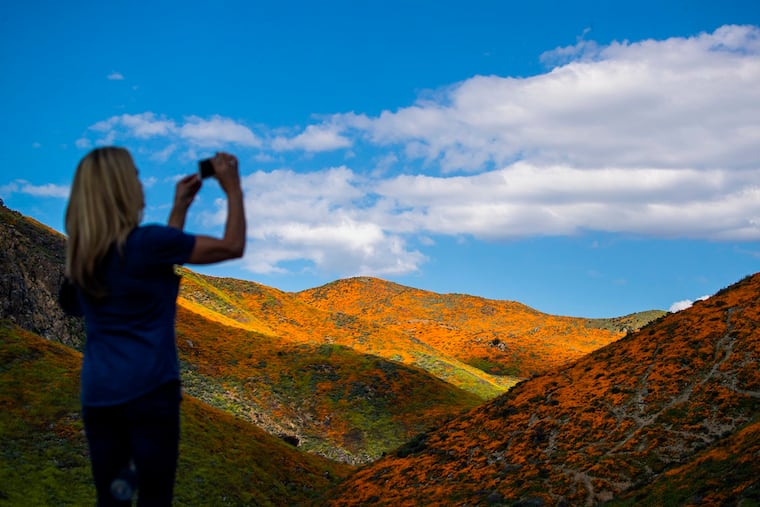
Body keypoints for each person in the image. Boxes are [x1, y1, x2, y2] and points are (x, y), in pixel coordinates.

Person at [61, 146, 245, 506]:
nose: (140, 183)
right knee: (155, 499)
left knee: (111, 500)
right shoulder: (147, 244)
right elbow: (232, 246)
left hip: (100, 398)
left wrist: (179, 209)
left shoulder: (83, 261)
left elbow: (150, 267)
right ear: (122, 189)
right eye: (134, 176)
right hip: (151, 393)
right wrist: (233, 188)